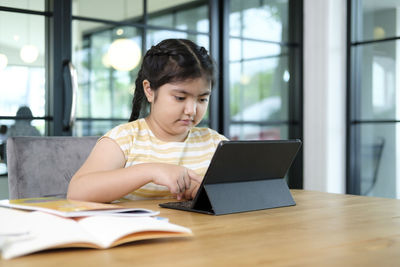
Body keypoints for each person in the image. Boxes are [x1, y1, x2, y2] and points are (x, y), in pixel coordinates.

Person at [67, 39, 227, 203]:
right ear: (149, 90)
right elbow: (77, 191)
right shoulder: (125, 139)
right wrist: (151, 171)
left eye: (202, 99)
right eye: (180, 98)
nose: (191, 110)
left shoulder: (215, 143)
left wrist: (201, 193)